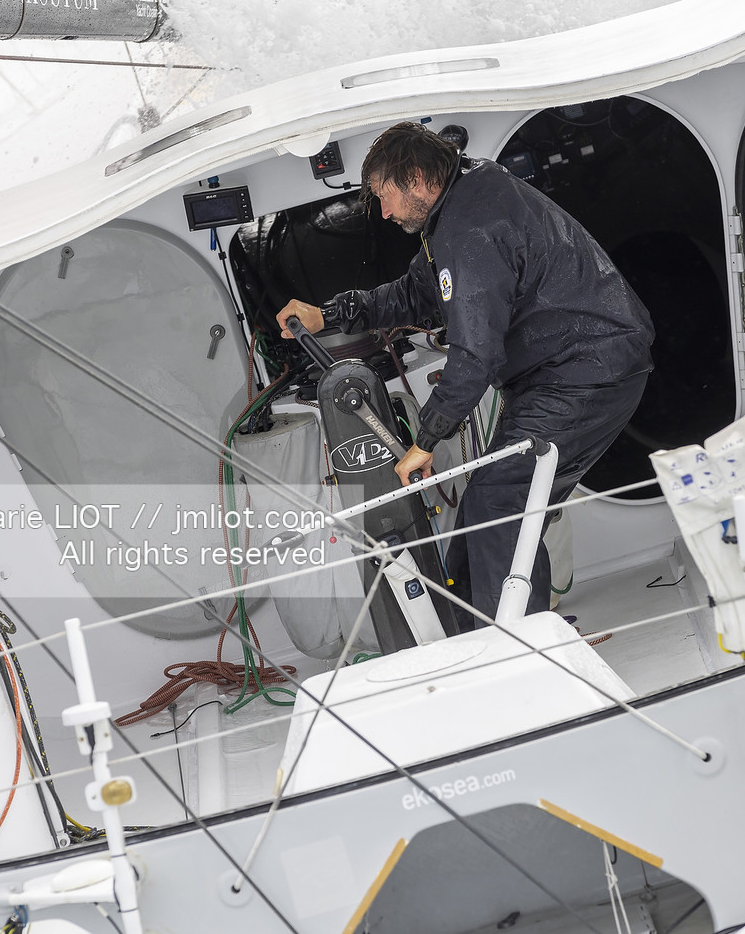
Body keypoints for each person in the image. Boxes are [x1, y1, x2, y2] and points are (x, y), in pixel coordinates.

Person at [276, 121, 653, 626]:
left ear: (416, 177)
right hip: (562, 369)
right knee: (490, 500)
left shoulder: (471, 227)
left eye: (384, 197)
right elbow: (414, 294)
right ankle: (475, 633)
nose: (384, 213)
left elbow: (476, 356)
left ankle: (515, 653)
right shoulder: (461, 199)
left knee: (503, 499)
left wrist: (426, 440)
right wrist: (330, 314)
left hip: (586, 368)